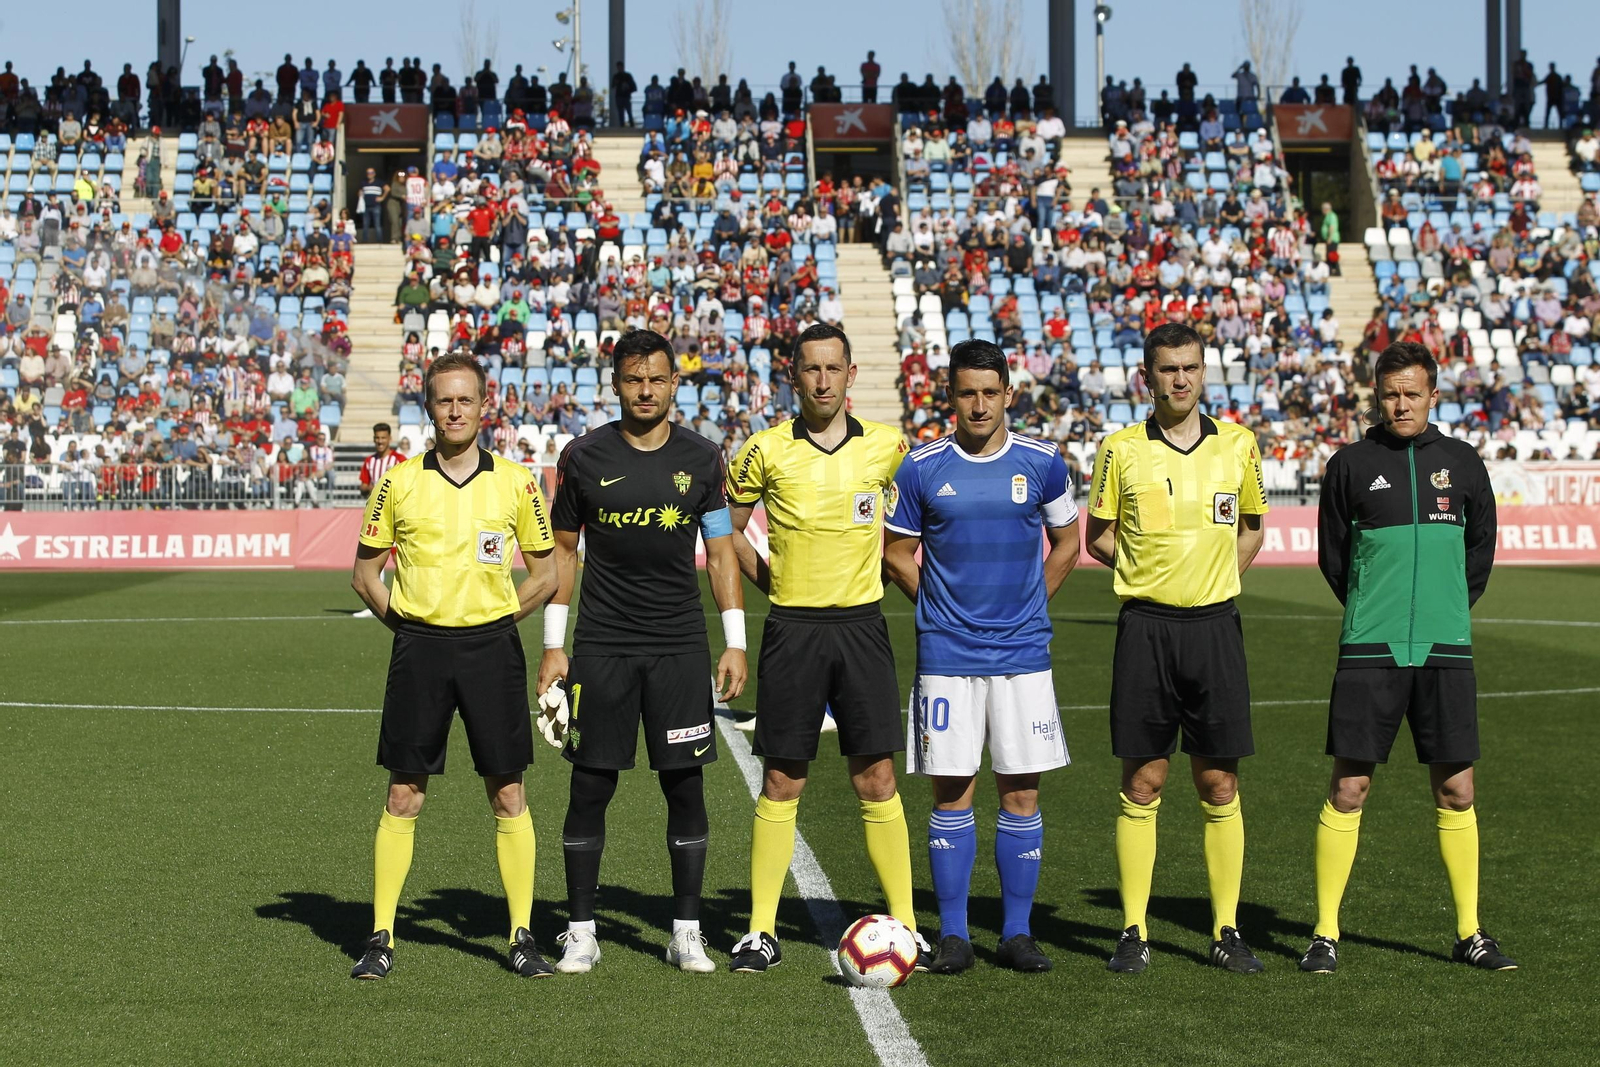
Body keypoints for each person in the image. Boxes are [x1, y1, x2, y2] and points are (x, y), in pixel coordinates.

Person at [537, 329, 748, 975]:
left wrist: (734, 641)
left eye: (657, 378)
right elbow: (563, 553)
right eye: (634, 379)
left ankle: (686, 930)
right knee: (590, 783)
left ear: (674, 382)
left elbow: (720, 553)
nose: (646, 390)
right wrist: (553, 646)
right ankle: (580, 929)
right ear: (617, 382)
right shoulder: (583, 455)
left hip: (679, 645)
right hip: (602, 645)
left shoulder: (706, 458)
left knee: (684, 784)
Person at [1301, 342, 1513, 974]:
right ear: (1376, 395)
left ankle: (1470, 932)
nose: (1401, 403)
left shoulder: (1465, 464)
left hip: (1447, 647)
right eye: (1391, 393)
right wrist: (1374, 609)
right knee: (1349, 785)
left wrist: (1447, 610)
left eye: (1412, 393)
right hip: (1371, 646)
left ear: (1433, 396)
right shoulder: (1349, 465)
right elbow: (1335, 559)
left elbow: (1480, 554)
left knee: (1457, 788)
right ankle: (1324, 934)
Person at [348, 352, 559, 980]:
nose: (456, 410)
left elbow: (548, 572)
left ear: (485, 405)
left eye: (466, 399)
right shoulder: (399, 483)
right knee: (404, 792)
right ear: (429, 406)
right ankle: (382, 935)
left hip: (492, 649)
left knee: (508, 790)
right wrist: (410, 627)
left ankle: (521, 936)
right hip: (421, 651)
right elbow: (364, 574)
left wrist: (498, 619)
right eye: (444, 400)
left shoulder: (517, 482)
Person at [723, 323, 925, 973]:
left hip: (864, 627)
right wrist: (770, 581)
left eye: (832, 368)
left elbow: (915, 525)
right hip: (793, 629)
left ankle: (908, 927)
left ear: (851, 373)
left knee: (878, 776)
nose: (821, 380)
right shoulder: (763, 450)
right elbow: (726, 533)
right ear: (793, 375)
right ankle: (759, 930)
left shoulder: (891, 448)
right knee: (783, 778)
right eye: (810, 369)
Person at [882, 339, 1081, 974]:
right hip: (947, 654)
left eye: (989, 392)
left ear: (1008, 395)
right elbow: (894, 552)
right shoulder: (920, 467)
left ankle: (1017, 933)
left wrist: (1031, 604)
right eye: (966, 392)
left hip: (1023, 652)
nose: (978, 404)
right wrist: (935, 605)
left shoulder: (1045, 463)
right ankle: (956, 935)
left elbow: (1068, 542)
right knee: (953, 789)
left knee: (1021, 790)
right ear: (950, 396)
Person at [1085, 321, 1269, 975]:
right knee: (1143, 778)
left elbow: (1251, 529)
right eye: (1168, 369)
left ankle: (1226, 928)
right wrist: (1150, 575)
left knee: (1219, 782)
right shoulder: (1121, 449)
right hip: (1146, 630)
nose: (1181, 379)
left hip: (1216, 628)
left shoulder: (1239, 445)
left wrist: (1215, 579)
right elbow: (1097, 536)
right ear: (1148, 375)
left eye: (1190, 367)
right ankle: (1134, 929)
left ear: (1204, 371)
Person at [353, 423, 408, 619]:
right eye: (377, 438)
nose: (379, 441)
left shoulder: (400, 460)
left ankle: (405, 600)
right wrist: (372, 489)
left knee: (401, 558)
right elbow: (363, 485)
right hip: (376, 517)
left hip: (397, 517)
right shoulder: (369, 462)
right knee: (375, 558)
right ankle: (376, 603)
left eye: (383, 438)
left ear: (389, 438)